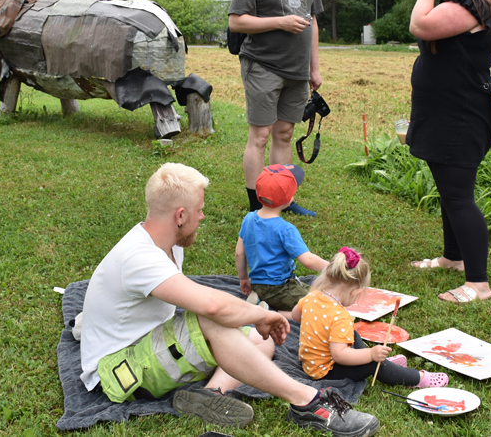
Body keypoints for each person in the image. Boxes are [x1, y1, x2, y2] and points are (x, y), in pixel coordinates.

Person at [79, 163, 379, 436]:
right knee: (212, 318)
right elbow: (212, 306)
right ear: (180, 216)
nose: (203, 216)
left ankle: (209, 394)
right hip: (118, 373)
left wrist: (252, 318)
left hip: (144, 350)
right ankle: (307, 402)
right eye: (199, 210)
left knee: (262, 342)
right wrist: (263, 315)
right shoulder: (141, 258)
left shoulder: (165, 242)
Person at [406, 0, 491, 304]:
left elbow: (419, 24)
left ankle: (478, 284)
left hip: (461, 117)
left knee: (459, 197)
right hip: (447, 112)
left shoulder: (473, 5)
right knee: (450, 191)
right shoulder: (469, 2)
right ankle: (453, 258)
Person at [228, 0, 324, 217]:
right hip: (263, 65)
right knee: (259, 137)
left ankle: (281, 199)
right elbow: (236, 21)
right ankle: (257, 206)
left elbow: (312, 21)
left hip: (297, 70)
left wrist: (314, 68)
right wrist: (280, 22)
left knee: (284, 134)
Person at [293, 247, 449, 388]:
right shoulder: (340, 317)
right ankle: (418, 378)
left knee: (353, 334)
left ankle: (385, 365)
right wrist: (370, 355)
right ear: (354, 292)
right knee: (373, 364)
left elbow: (295, 315)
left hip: (310, 365)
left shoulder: (312, 296)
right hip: (326, 373)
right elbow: (339, 355)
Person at [235, 164, 328, 318]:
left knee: (316, 294)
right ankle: (270, 312)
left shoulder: (249, 218)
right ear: (290, 200)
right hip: (279, 288)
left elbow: (239, 253)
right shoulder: (286, 229)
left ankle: (260, 299)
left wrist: (244, 279)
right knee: (318, 307)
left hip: (256, 285)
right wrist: (331, 266)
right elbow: (308, 260)